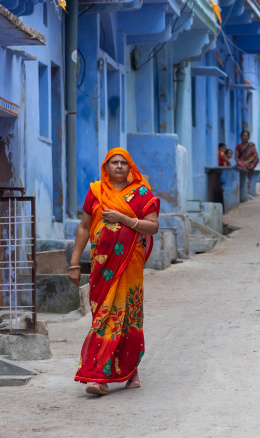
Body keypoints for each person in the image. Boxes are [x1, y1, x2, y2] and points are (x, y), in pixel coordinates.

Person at [68, 148, 159, 396]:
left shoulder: (141, 194)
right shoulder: (96, 192)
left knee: (128, 317)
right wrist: (74, 263)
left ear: (130, 168)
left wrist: (126, 219)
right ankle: (99, 377)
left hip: (130, 267)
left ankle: (131, 372)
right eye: (114, 162)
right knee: (103, 318)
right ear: (106, 167)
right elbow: (84, 228)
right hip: (102, 268)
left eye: (124, 163)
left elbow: (152, 227)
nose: (119, 166)